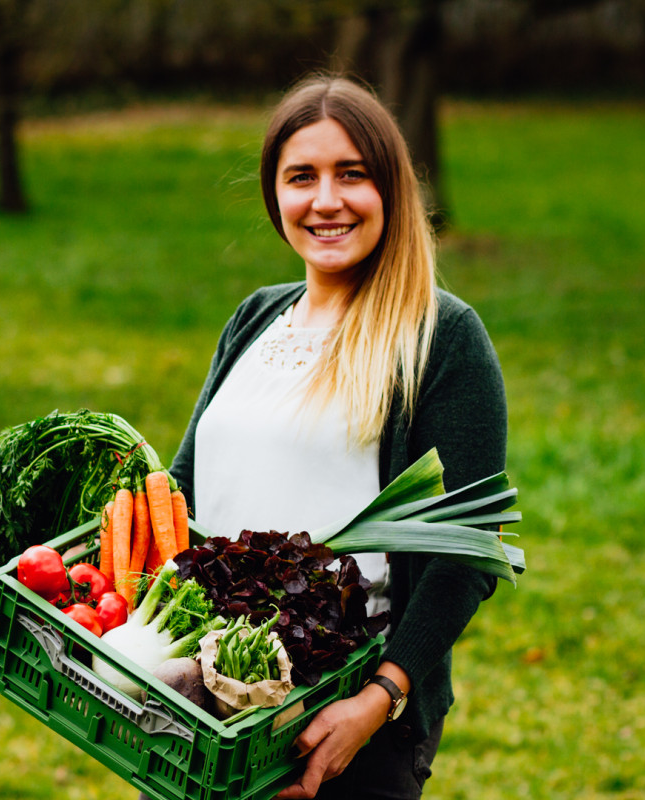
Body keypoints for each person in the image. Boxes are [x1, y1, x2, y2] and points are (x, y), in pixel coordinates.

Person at [168, 74, 508, 800]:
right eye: (302, 177)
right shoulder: (256, 318)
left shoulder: (440, 336)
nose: (326, 200)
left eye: (351, 174)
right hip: (202, 705)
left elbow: (470, 551)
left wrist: (378, 699)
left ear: (389, 188)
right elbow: (182, 488)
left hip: (342, 723)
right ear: (275, 196)